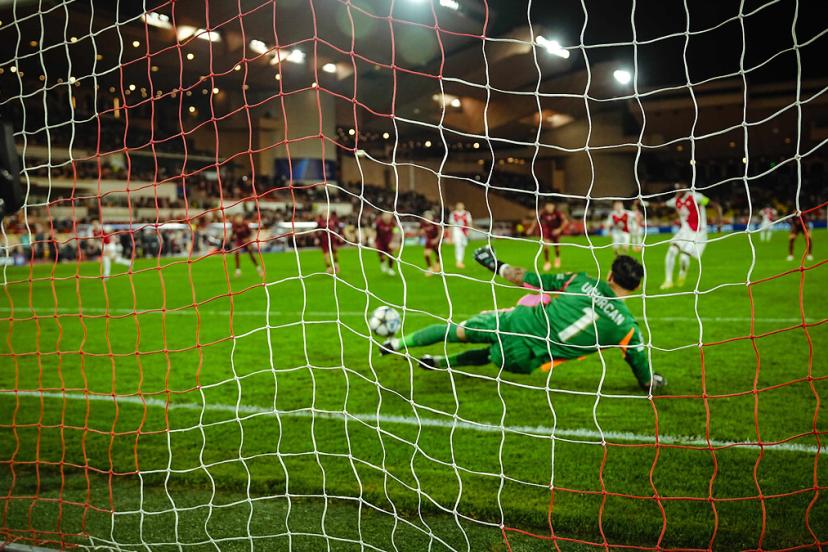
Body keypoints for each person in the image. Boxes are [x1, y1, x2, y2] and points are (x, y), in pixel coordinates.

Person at [381, 246, 665, 391]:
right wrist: (650, 382)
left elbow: (532, 279)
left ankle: (397, 343)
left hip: (516, 321)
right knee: (493, 354)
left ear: (610, 275)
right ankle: (440, 363)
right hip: (528, 356)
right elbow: (640, 365)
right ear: (636, 288)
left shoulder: (581, 281)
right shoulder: (627, 328)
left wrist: (495, 264)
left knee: (457, 331)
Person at [660, 184, 720, 289]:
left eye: (680, 189)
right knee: (671, 251)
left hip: (698, 232)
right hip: (685, 231)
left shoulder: (697, 197)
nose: (678, 191)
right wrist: (645, 203)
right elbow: (661, 205)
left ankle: (682, 275)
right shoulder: (675, 200)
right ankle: (668, 281)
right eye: (676, 189)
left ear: (685, 188)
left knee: (684, 257)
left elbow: (716, 206)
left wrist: (719, 221)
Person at [525, 202, 569, 270]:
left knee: (556, 246)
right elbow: (536, 221)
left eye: (551, 206)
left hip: (555, 231)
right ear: (545, 207)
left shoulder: (557, 213)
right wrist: (531, 229)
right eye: (548, 206)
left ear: (554, 206)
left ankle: (557, 259)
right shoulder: (543, 213)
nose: (549, 207)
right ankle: (547, 262)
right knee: (546, 246)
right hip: (546, 231)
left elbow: (566, 221)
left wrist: (559, 229)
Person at [316, 209, 342, 274]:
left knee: (335, 253)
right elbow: (316, 230)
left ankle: (336, 266)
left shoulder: (333, 220)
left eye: (326, 213)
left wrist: (340, 235)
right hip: (324, 240)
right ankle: (328, 268)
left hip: (333, 239)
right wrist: (317, 238)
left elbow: (339, 228)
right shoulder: (320, 222)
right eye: (324, 214)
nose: (325, 215)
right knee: (326, 254)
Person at [449, 202, 472, 269]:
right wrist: (450, 235)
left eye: (461, 206)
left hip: (464, 231)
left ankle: (460, 260)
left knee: (463, 245)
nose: (460, 207)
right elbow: (451, 224)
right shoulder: (453, 214)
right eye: (458, 206)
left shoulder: (467, 213)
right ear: (456, 206)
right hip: (456, 230)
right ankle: (458, 261)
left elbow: (469, 222)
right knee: (458, 245)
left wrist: (469, 230)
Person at [420, 210, 442, 275]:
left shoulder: (435, 223)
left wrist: (436, 239)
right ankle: (430, 268)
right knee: (426, 254)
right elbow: (421, 231)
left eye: (429, 216)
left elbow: (440, 232)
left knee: (438, 254)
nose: (427, 218)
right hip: (429, 241)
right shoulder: (423, 223)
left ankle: (437, 265)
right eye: (426, 217)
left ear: (432, 217)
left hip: (437, 241)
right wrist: (422, 233)